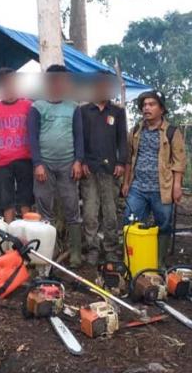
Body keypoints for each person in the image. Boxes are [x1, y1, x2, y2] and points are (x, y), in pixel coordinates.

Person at [28, 64, 84, 267]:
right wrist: (37, 163)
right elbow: (32, 137)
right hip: (44, 166)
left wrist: (78, 161)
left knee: (72, 208)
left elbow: (79, 137)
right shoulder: (37, 107)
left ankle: (76, 254)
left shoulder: (73, 107)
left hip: (68, 165)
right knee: (45, 210)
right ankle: (47, 253)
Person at [122, 91, 185, 266]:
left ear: (161, 109)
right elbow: (129, 159)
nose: (146, 108)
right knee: (130, 221)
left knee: (163, 225)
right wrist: (126, 183)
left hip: (162, 188)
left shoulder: (172, 132)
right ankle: (133, 261)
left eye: (152, 104)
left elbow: (179, 161)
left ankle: (159, 262)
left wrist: (177, 186)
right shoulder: (136, 131)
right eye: (144, 105)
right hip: (138, 187)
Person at [80, 73, 128, 264]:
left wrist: (121, 162)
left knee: (110, 212)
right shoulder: (84, 111)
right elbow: (79, 139)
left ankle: (110, 249)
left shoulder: (117, 112)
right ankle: (92, 249)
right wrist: (82, 161)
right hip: (89, 169)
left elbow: (122, 139)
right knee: (90, 212)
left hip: (110, 169)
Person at [0, 68, 34, 223]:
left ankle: (27, 230)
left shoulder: (28, 105)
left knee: (25, 198)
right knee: (6, 199)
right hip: (3, 160)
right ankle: (8, 232)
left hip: (25, 157)